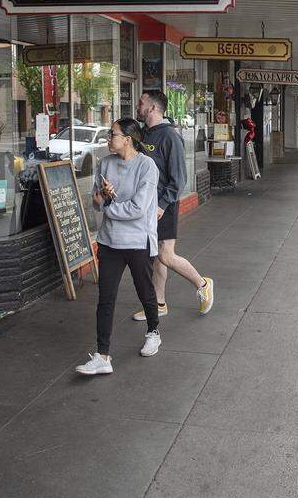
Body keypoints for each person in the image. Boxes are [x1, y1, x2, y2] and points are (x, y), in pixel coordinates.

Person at [76, 118, 161, 376]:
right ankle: (102, 355)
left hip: (137, 241)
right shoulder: (105, 163)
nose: (108, 138)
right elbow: (96, 202)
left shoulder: (147, 166)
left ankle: (153, 332)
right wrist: (102, 197)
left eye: (112, 134)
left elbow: (138, 209)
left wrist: (110, 204)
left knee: (145, 290)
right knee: (106, 299)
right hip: (109, 240)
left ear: (128, 138)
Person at [131, 90, 214, 323]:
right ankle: (159, 304)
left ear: (153, 108)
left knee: (166, 256)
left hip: (163, 207)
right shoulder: (144, 134)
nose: (137, 105)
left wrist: (162, 204)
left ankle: (202, 283)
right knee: (155, 256)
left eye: (141, 102)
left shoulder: (169, 136)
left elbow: (178, 179)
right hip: (145, 206)